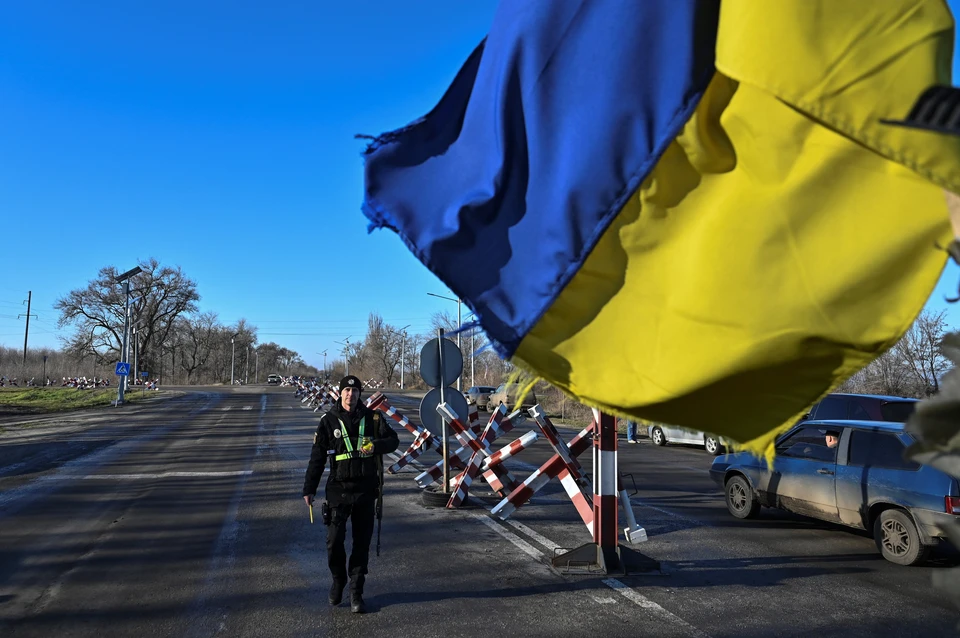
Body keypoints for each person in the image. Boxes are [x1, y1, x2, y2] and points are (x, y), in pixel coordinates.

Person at [302, 375, 399, 613]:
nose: (350, 395)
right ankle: (338, 580)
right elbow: (317, 456)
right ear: (340, 393)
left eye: (355, 391)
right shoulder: (328, 420)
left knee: (361, 543)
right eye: (346, 390)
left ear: (359, 394)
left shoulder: (373, 418)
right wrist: (309, 488)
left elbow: (393, 441)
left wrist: (376, 446)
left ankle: (357, 591)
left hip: (366, 489)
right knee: (334, 541)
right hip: (338, 489)